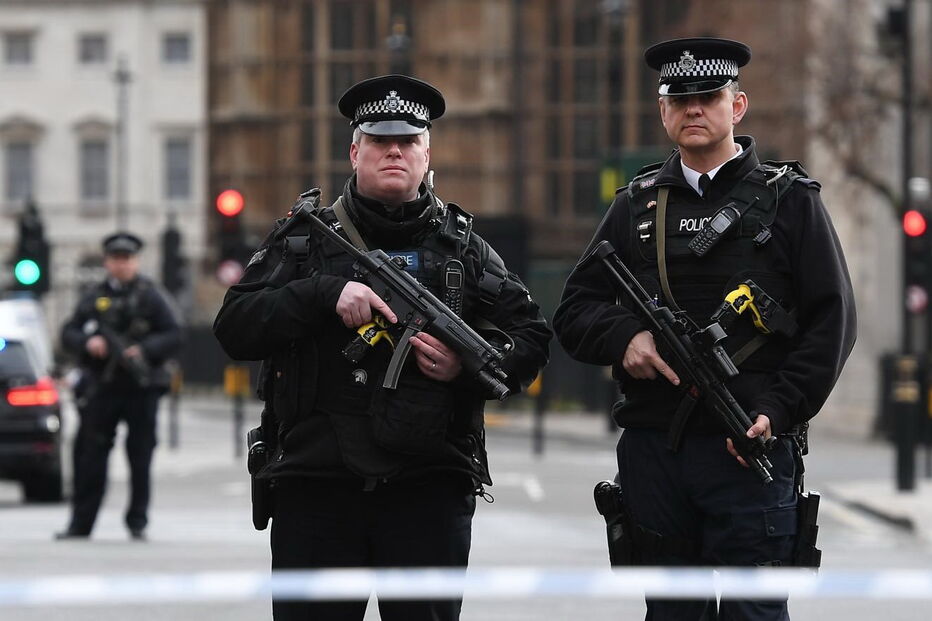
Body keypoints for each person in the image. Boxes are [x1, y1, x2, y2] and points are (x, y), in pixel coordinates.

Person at [213, 74, 551, 621]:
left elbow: (532, 337)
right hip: (317, 486)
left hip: (429, 487)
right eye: (378, 140)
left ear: (426, 153)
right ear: (354, 151)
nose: (394, 150)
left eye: (409, 140)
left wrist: (463, 365)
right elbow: (235, 326)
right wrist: (324, 293)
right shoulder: (304, 241)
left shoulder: (463, 247)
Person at [554, 38, 856, 620]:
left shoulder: (789, 202)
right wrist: (626, 339)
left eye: (709, 96)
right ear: (663, 111)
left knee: (753, 613)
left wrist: (782, 406)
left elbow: (832, 318)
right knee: (672, 613)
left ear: (736, 107)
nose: (695, 109)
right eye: (680, 98)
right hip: (656, 449)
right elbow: (575, 310)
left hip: (751, 444)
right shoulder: (635, 205)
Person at [56, 232, 182, 541]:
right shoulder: (94, 296)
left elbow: (175, 334)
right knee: (91, 455)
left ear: (135, 261)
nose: (121, 265)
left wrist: (144, 350)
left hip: (141, 386)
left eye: (127, 259)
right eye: (116, 259)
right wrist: (89, 342)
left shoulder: (151, 295)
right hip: (104, 386)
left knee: (140, 455)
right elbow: (69, 333)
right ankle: (81, 523)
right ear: (107, 262)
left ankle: (137, 520)